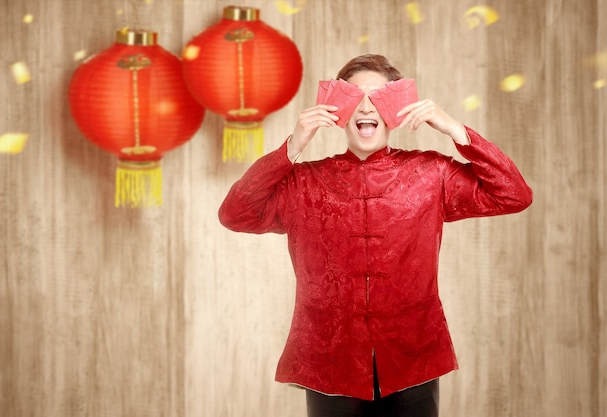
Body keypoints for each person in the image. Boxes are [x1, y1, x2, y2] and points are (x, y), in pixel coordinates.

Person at [218, 54, 532, 417]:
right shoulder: (302, 182)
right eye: (354, 97)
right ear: (337, 111)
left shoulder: (431, 173)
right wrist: (292, 147)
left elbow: (513, 193)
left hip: (414, 358)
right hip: (329, 362)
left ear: (397, 110)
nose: (366, 108)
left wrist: (453, 129)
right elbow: (236, 214)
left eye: (379, 97)